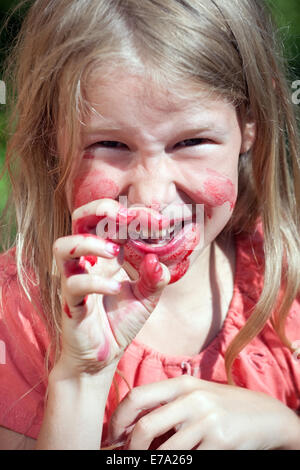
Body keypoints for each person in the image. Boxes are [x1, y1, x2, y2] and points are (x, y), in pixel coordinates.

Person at [0, 0, 299, 450]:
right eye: (111, 143)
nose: (152, 197)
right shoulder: (16, 315)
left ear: (249, 124)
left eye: (192, 141)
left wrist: (284, 429)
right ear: (53, 141)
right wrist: (81, 381)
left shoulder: (287, 285)